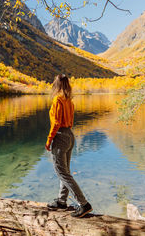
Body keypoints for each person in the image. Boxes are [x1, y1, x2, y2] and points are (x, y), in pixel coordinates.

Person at [45, 74, 93, 218]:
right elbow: (69, 121)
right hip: (70, 136)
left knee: (62, 173)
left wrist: (49, 140)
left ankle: (84, 204)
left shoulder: (57, 99)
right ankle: (61, 201)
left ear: (57, 84)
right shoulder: (69, 101)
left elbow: (56, 122)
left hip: (60, 137)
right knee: (65, 172)